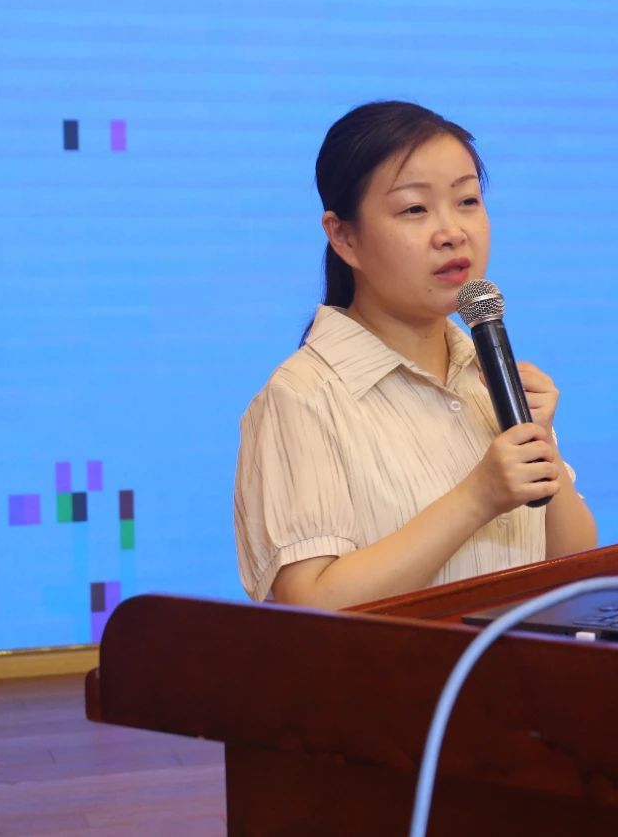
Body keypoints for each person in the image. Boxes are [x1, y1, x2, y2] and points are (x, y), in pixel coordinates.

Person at [233, 101, 597, 609]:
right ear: (344, 236)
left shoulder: (491, 378)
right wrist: (478, 497)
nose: (453, 232)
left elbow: (578, 566)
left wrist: (543, 449)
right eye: (415, 210)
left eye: (467, 201)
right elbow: (310, 606)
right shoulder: (302, 398)